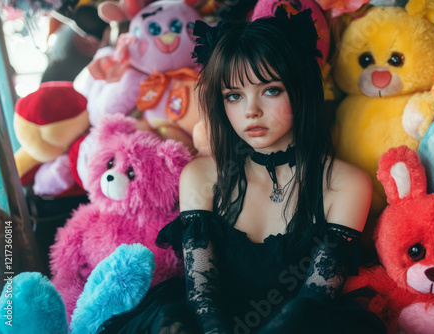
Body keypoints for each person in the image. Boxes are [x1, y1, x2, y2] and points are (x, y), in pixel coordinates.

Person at [98, 7, 385, 334]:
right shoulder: (200, 176)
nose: (251, 111)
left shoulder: (346, 184)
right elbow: (201, 294)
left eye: (271, 90)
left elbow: (315, 300)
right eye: (234, 95)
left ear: (300, 88)